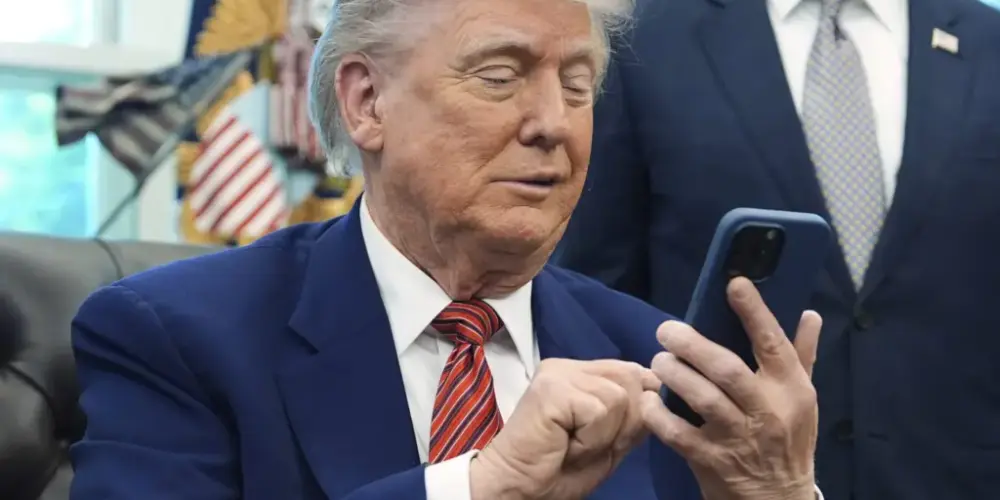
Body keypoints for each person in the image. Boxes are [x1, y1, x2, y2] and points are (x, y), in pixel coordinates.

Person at [68, 0, 826, 499]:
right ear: (366, 102)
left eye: (577, 86)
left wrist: (782, 493)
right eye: (499, 77)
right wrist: (480, 487)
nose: (553, 123)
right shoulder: (178, 337)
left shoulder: (661, 364)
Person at [554, 0, 1000, 498]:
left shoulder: (989, 43)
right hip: (708, 479)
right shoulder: (646, 39)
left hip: (956, 473)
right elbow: (599, 290)